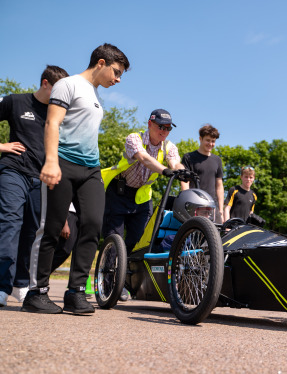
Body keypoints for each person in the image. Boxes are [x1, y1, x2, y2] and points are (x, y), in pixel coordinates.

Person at [22, 43, 130, 315]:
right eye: (116, 72)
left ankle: (75, 292)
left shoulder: (95, 95)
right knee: (51, 228)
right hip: (63, 163)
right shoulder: (67, 85)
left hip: (91, 168)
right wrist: (50, 161)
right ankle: (37, 293)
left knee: (93, 225)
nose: (117, 79)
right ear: (101, 63)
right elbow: (53, 123)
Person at [0, 65, 69, 308]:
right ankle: (1, 287)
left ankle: (21, 284)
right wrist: (2, 146)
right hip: (13, 171)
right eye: (59, 90)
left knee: (33, 234)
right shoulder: (15, 102)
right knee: (10, 224)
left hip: (42, 180)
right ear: (45, 83)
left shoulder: (59, 115)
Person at [101, 109, 184, 254]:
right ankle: (108, 275)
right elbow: (144, 158)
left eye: (168, 128)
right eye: (161, 127)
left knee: (139, 243)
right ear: (150, 124)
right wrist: (164, 170)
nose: (164, 131)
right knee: (113, 240)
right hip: (119, 193)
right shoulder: (134, 138)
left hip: (142, 199)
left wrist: (181, 171)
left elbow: (175, 162)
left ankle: (128, 275)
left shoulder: (169, 146)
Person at [181, 124, 224, 223]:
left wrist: (220, 209)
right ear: (200, 139)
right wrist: (186, 203)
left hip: (213, 207)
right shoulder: (189, 157)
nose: (210, 144)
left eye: (213, 141)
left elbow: (219, 185)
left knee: (216, 237)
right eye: (208, 140)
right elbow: (185, 182)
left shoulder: (217, 160)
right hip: (195, 205)